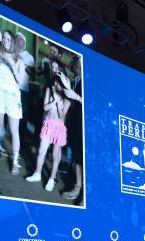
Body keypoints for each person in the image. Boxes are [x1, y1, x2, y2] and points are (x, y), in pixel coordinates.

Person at [25, 72, 77, 191]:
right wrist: (54, 100)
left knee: (55, 155)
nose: (55, 83)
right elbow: (45, 107)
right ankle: (37, 174)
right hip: (48, 124)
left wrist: (58, 101)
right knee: (42, 150)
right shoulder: (49, 89)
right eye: (55, 81)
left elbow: (62, 114)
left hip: (59, 128)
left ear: (63, 85)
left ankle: (51, 179)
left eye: (58, 83)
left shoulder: (68, 97)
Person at [0, 29, 25, 175]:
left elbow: (20, 82)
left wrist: (12, 65)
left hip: (13, 96)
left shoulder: (19, 60)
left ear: (13, 41)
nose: (6, 42)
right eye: (4, 39)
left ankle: (15, 162)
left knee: (14, 130)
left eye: (8, 39)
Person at [62, 57, 83, 202]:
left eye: (76, 65)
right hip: (75, 122)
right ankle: (77, 187)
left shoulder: (89, 80)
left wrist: (75, 96)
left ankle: (85, 194)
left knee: (83, 158)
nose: (74, 68)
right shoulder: (75, 80)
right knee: (76, 156)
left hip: (86, 125)